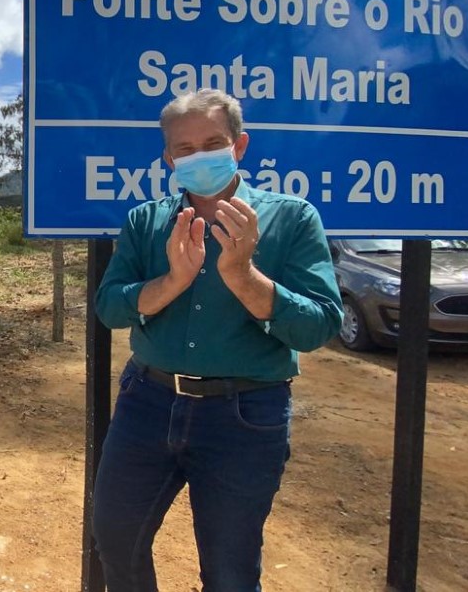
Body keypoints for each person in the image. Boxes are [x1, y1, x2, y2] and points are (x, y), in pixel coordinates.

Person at [92, 89, 343, 591]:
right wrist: (171, 283)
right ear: (168, 158)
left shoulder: (292, 219)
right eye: (183, 149)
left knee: (230, 570)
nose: (198, 156)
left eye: (212, 142)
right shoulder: (145, 221)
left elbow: (319, 325)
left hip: (245, 417)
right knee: (116, 541)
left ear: (240, 145)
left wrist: (243, 275)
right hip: (148, 402)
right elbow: (109, 306)